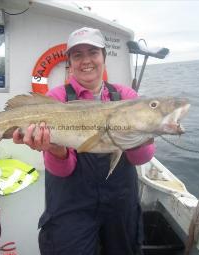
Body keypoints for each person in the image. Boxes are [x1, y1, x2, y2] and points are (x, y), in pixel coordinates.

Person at [13, 27, 155, 255]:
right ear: (69, 62)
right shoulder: (56, 100)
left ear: (103, 58)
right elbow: (62, 170)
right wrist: (55, 148)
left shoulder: (126, 97)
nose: (86, 60)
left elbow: (141, 158)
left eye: (93, 52)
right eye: (78, 55)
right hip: (72, 206)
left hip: (120, 203)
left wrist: (140, 133)